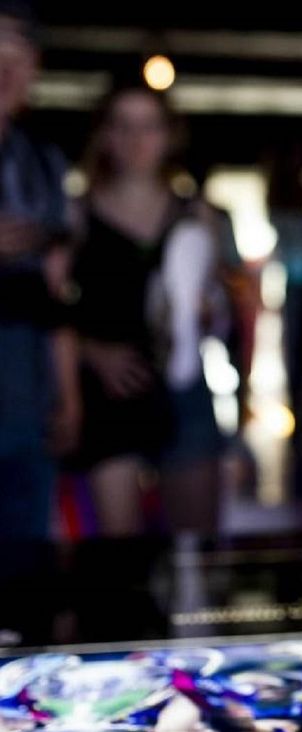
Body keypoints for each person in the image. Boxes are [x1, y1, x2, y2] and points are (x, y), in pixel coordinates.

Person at [69, 84, 222, 534]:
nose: (138, 140)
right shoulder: (77, 214)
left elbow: (216, 314)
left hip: (183, 391)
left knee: (194, 560)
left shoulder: (197, 216)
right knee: (121, 564)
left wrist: (209, 313)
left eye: (149, 127)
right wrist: (91, 353)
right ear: (106, 135)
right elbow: (52, 312)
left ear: (168, 135)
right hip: (109, 393)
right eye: (124, 126)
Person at [0, 1, 78, 537]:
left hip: (28, 381)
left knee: (28, 548)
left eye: (18, 54)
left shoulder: (43, 162)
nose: (6, 69)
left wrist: (69, 394)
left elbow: (56, 288)